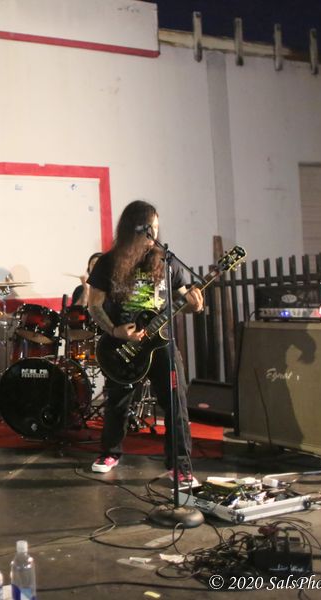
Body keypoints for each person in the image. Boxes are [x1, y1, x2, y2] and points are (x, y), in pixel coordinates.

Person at [86, 200, 203, 480]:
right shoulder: (108, 262)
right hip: (123, 344)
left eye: (156, 228)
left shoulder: (167, 262)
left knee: (175, 401)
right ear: (133, 228)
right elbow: (94, 305)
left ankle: (180, 465)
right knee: (118, 401)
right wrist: (115, 331)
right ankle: (110, 452)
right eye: (149, 228)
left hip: (161, 343)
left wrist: (195, 304)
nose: (154, 234)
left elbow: (185, 300)